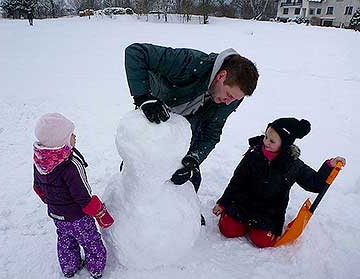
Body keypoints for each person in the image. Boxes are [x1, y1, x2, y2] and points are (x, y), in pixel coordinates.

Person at [124, 43, 259, 192]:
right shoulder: (190, 63)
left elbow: (212, 132)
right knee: (140, 172)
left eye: (235, 99)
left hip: (185, 131)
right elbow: (136, 52)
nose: (228, 102)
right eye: (229, 95)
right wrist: (143, 98)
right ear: (221, 76)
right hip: (154, 117)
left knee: (188, 181)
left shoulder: (232, 97)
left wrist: (193, 160)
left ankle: (186, 213)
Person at [212, 117, 346, 248]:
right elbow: (236, 181)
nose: (266, 142)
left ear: (285, 144)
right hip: (242, 203)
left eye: (272, 141)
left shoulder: (293, 165)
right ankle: (233, 219)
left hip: (269, 212)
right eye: (266, 137)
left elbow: (314, 183)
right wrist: (223, 202)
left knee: (262, 241)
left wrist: (329, 166)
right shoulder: (253, 155)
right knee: (228, 230)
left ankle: (257, 228)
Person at [32, 113, 114, 278]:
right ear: (61, 142)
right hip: (78, 217)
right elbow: (82, 196)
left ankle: (69, 267)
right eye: (70, 135)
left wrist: (53, 203)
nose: (75, 136)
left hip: (56, 215)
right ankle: (96, 267)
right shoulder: (70, 165)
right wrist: (99, 211)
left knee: (65, 240)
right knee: (90, 241)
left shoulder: (41, 160)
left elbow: (38, 187)